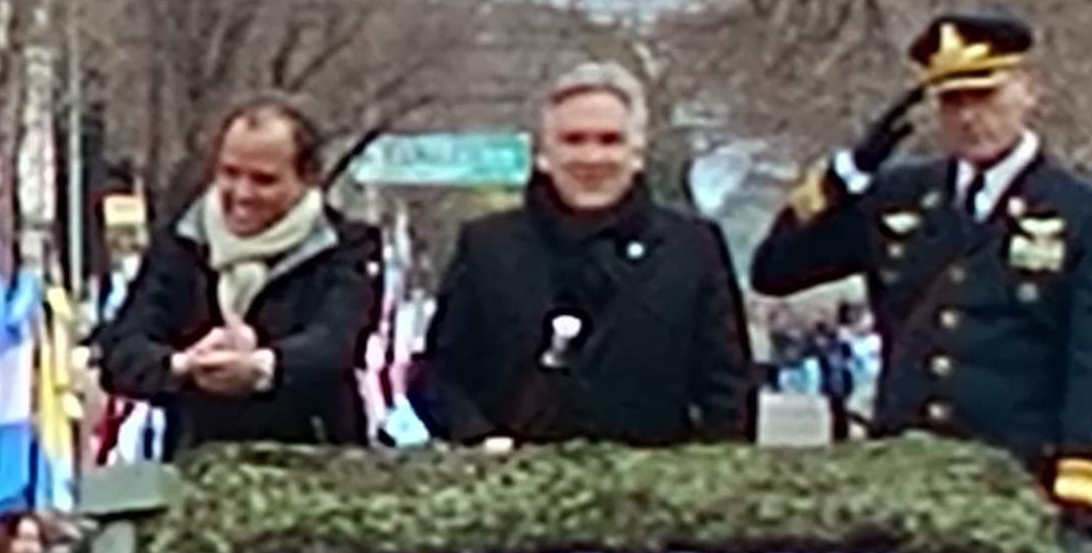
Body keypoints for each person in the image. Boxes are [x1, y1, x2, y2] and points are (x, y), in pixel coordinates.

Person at [752, 11, 1092, 523]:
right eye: (953, 101)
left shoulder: (1082, 211)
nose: (970, 118)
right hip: (906, 473)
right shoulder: (900, 197)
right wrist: (851, 171)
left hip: (1016, 475)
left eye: (986, 96)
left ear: (1027, 92)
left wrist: (1081, 479)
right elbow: (777, 269)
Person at [411, 63, 757, 448]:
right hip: (512, 486)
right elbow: (440, 378)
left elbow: (728, 390)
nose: (592, 158)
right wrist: (480, 440)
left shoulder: (692, 248)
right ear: (543, 154)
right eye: (574, 140)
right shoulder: (486, 246)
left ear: (637, 153)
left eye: (610, 140)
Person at [97, 96, 380, 451]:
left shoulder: (347, 248)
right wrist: (183, 364)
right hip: (196, 463)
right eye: (230, 173)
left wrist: (262, 367)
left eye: (264, 180)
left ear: (307, 179)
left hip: (317, 460)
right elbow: (121, 352)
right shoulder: (180, 243)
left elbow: (336, 344)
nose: (242, 194)